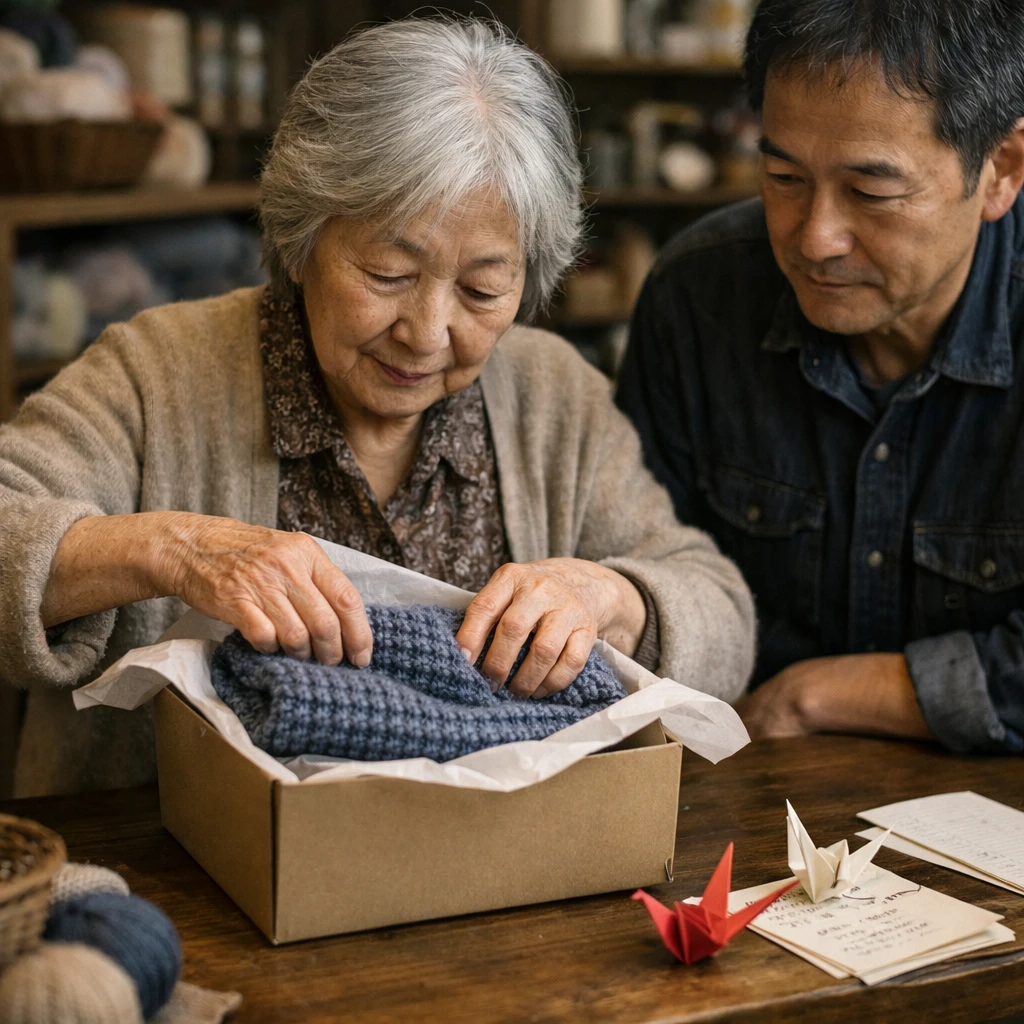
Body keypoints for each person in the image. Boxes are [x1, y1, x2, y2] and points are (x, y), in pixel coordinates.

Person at [0, 17, 755, 798]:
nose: (426, 334)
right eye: (390, 273)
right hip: (182, 877)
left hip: (495, 873)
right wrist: (173, 548)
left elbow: (720, 612)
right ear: (304, 235)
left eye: (481, 290)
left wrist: (615, 600)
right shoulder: (156, 375)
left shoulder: (554, 397)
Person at [616, 0, 1024, 754]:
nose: (815, 238)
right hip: (740, 786)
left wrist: (819, 694)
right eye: (783, 175)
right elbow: (636, 569)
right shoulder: (699, 297)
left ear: (1001, 169)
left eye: (871, 192)